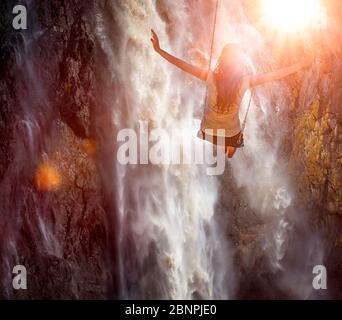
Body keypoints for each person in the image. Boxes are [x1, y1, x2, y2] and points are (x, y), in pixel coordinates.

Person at [150, 29, 313, 158]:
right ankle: (229, 150)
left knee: (222, 133)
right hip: (232, 134)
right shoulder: (245, 81)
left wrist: (159, 50)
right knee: (232, 142)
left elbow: (183, 65)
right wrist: (300, 65)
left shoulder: (210, 77)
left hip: (208, 131)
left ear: (222, 59)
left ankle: (226, 145)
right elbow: (276, 74)